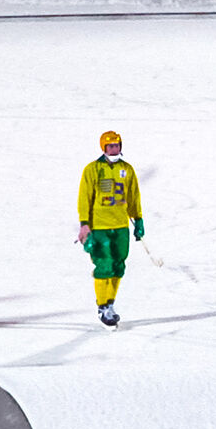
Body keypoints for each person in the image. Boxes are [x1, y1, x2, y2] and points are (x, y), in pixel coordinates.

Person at [76, 130, 143, 327]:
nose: (114, 149)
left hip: (121, 226)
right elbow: (84, 197)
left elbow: (133, 196)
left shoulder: (127, 169)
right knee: (104, 264)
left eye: (117, 145)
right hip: (100, 226)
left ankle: (110, 304)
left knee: (118, 265)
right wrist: (84, 223)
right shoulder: (93, 169)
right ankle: (102, 306)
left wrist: (138, 219)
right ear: (103, 147)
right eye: (110, 146)